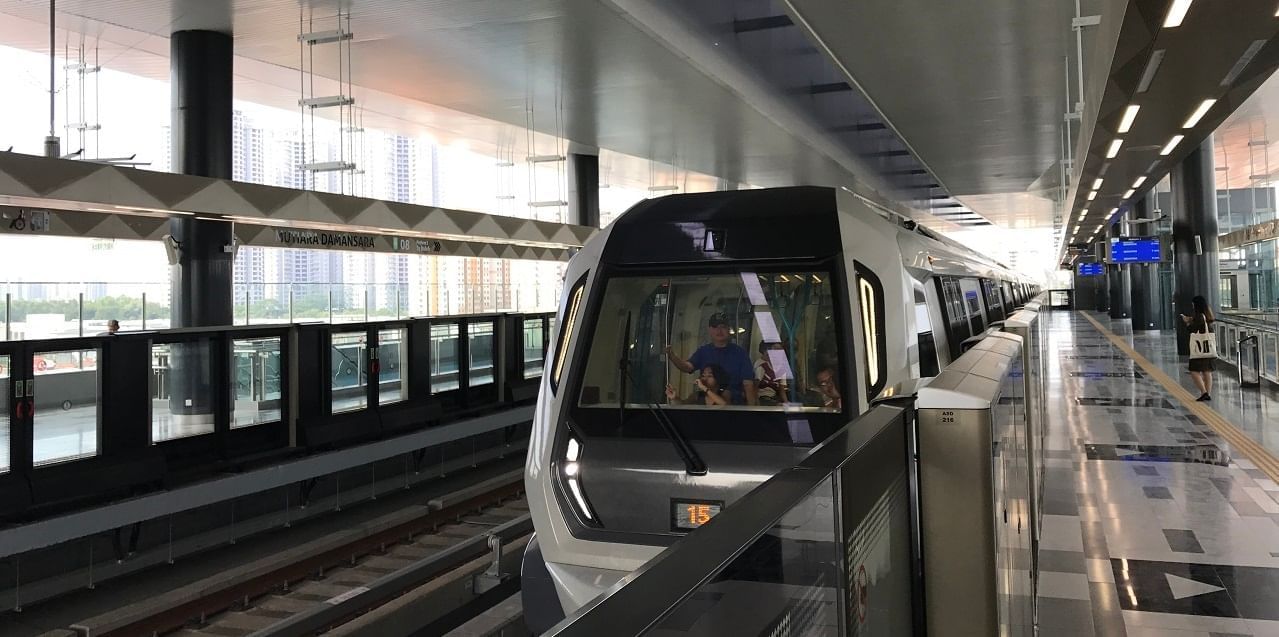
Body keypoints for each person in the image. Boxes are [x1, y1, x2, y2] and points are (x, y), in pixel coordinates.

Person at [666, 312, 757, 405]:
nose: (719, 330)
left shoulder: (740, 353)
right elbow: (687, 367)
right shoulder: (703, 351)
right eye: (715, 327)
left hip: (734, 405)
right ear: (709, 330)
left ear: (729, 329)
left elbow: (748, 384)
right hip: (706, 402)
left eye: (723, 326)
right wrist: (672, 356)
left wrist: (752, 411)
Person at [1180, 296, 1216, 401]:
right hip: (1208, 348)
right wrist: (1191, 319)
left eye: (1193, 304)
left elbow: (1192, 329)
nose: (1192, 306)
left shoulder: (1200, 316)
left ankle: (1204, 392)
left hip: (1199, 349)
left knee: (1194, 371)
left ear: (1197, 305)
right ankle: (1207, 394)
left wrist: (1186, 321)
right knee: (1207, 371)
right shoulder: (1208, 315)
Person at [665, 364, 731, 406]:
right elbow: (683, 405)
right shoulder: (697, 395)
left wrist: (704, 388)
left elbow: (724, 404)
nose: (705, 378)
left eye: (710, 376)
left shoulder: (725, 393)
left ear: (718, 378)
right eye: (703, 375)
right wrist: (675, 398)